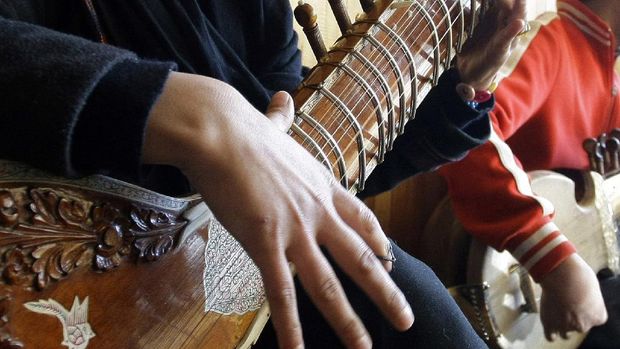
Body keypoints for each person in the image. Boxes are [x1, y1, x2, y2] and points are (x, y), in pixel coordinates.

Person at [0, 0, 524, 347]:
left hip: (232, 299)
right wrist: (192, 114)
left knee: (413, 311)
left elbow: (314, 178)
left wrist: (459, 91)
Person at [402, 0, 612, 342]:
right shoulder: (549, 40)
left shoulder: (612, 83)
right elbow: (467, 133)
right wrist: (554, 260)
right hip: (500, 281)